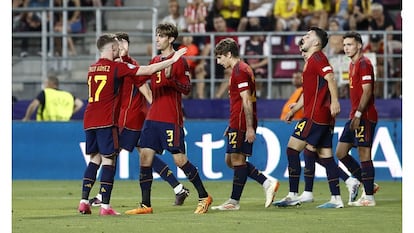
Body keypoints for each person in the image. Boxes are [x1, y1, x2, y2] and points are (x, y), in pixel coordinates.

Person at [77, 33, 187, 216]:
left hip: (116, 119)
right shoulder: (119, 66)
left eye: (122, 43)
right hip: (116, 119)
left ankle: (88, 200)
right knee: (121, 156)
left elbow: (145, 87)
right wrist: (172, 60)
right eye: (117, 44)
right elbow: (144, 74)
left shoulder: (96, 67)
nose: (119, 47)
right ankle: (105, 203)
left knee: (102, 158)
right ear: (113, 48)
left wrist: (156, 114)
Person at [124, 23, 212, 215]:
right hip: (152, 117)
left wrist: (171, 80)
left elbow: (187, 89)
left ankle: (204, 196)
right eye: (156, 35)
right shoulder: (156, 59)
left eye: (161, 36)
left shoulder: (180, 61)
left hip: (171, 118)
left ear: (171, 39)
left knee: (180, 160)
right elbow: (142, 75)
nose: (157, 39)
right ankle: (145, 204)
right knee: (145, 158)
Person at [273, 27, 344, 209]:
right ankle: (336, 198)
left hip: (315, 116)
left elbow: (331, 78)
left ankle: (295, 194)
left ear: (316, 43)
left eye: (308, 36)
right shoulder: (312, 61)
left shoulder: (318, 58)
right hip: (321, 116)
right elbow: (308, 93)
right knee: (326, 156)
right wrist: (294, 109)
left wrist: (335, 101)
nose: (304, 37)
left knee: (292, 149)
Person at [210, 38, 279, 211]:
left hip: (242, 121)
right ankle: (265, 183)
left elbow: (246, 100)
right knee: (230, 160)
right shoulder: (242, 69)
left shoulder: (240, 71)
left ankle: (235, 200)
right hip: (236, 120)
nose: (219, 62)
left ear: (228, 54)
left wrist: (248, 127)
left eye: (220, 58)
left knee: (237, 159)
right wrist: (231, 124)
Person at [336, 31, 379, 207]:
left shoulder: (364, 63)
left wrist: (359, 115)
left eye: (350, 44)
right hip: (354, 115)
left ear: (359, 45)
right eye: (345, 45)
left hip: (365, 116)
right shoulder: (352, 65)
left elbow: (367, 91)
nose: (346, 48)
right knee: (340, 152)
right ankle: (368, 184)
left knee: (364, 153)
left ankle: (369, 197)